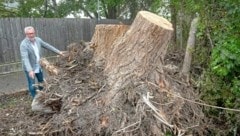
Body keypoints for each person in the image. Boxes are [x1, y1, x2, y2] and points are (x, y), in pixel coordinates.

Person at [20, 26, 64, 98]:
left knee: (41, 82)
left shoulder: (38, 40)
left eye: (32, 33)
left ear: (34, 32)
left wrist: (59, 52)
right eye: (29, 34)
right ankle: (35, 99)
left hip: (38, 65)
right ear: (26, 34)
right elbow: (25, 58)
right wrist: (30, 70)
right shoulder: (23, 44)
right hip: (30, 68)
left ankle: (43, 96)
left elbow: (47, 46)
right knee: (32, 84)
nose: (31, 35)